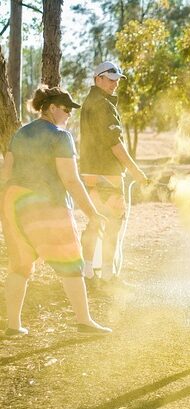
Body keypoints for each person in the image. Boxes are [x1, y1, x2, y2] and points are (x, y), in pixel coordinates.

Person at [0, 86, 111, 336]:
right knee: (71, 262)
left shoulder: (19, 134)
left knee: (19, 265)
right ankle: (84, 321)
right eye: (65, 109)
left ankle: (13, 326)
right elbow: (71, 181)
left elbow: (5, 174)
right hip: (47, 205)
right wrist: (93, 213)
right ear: (51, 108)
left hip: (14, 203)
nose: (69, 114)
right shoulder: (60, 137)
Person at [79, 61, 148, 286]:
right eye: (110, 79)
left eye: (117, 80)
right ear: (98, 79)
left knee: (94, 221)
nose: (115, 84)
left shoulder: (89, 101)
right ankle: (107, 275)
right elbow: (114, 144)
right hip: (106, 174)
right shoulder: (103, 104)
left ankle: (88, 273)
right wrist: (135, 171)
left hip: (89, 172)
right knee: (113, 222)